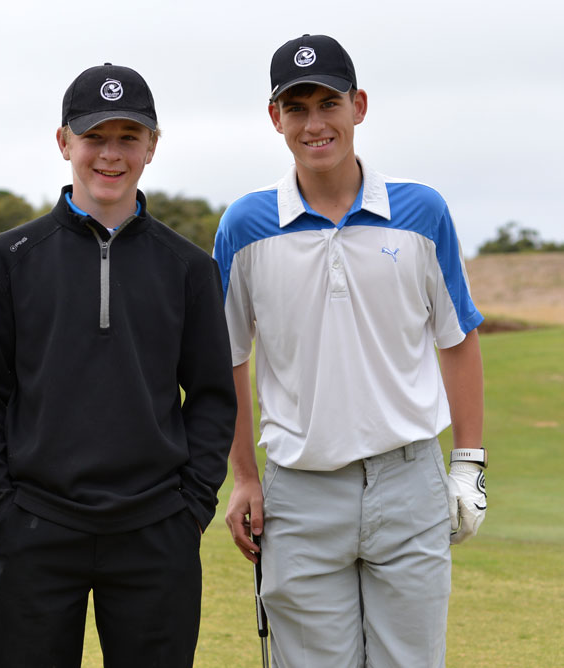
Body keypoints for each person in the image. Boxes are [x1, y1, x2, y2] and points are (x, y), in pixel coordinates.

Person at [214, 34, 487, 667]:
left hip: (409, 482)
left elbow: (457, 337)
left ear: (358, 106)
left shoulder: (422, 212)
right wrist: (245, 476)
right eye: (297, 108)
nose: (314, 124)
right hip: (298, 493)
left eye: (329, 104)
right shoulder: (244, 225)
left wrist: (468, 464)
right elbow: (228, 358)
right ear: (276, 118)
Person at [0, 63, 237, 667]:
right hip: (35, 526)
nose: (111, 154)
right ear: (64, 142)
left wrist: (192, 508)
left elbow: (213, 397)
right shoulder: (6, 259)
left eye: (128, 137)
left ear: (152, 147)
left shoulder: (189, 268)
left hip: (157, 531)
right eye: (94, 137)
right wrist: (0, 505)